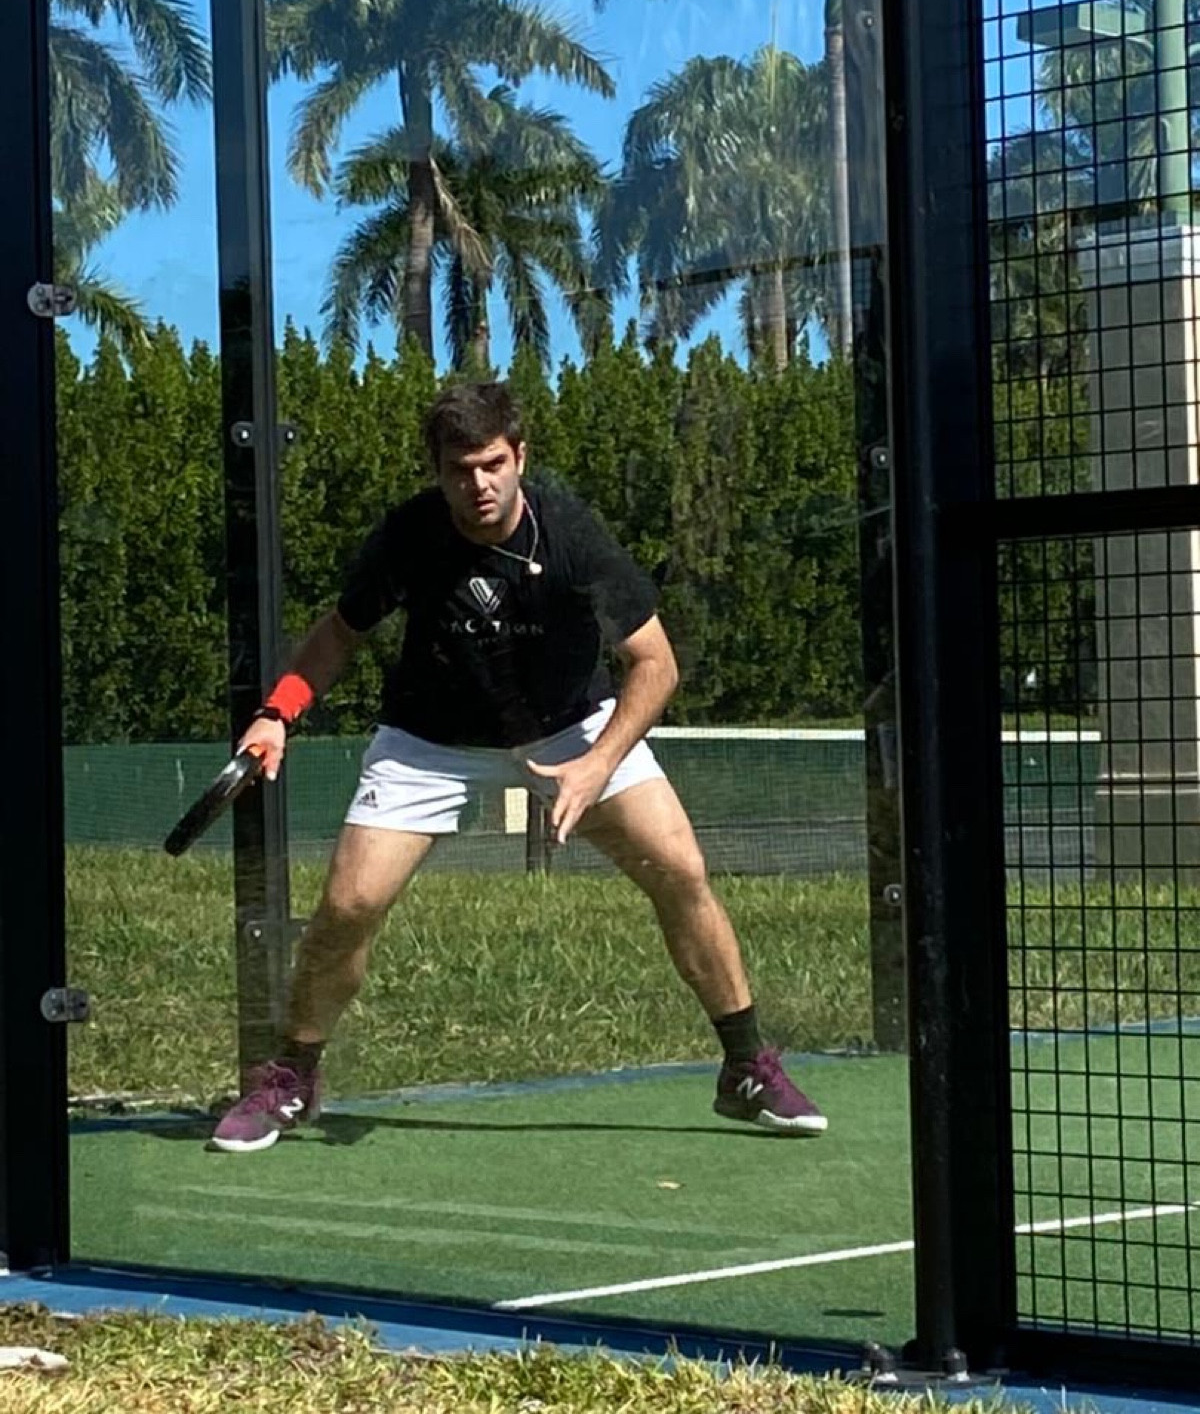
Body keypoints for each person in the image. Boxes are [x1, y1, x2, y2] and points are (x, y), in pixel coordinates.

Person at [211, 381, 826, 1152]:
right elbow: (339, 632)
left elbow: (655, 664)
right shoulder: (408, 534)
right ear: (438, 472)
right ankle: (292, 1078)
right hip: (429, 740)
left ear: (520, 457)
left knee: (680, 870)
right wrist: (278, 711)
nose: (480, 484)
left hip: (572, 727)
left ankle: (745, 1068)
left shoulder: (572, 534)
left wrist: (595, 766)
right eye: (461, 469)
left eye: (493, 464)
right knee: (349, 905)